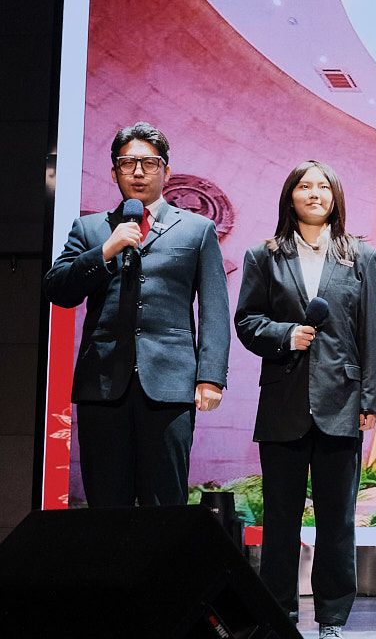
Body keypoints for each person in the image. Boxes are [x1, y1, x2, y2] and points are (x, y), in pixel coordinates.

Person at [234, 161, 376, 638]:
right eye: (305, 186)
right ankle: (279, 615)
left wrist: (372, 401)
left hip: (342, 404)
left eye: (323, 186)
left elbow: (373, 333)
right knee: (280, 520)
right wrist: (285, 334)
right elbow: (247, 322)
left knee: (337, 521)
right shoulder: (264, 256)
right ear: (291, 196)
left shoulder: (361, 256)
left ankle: (332, 619)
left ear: (335, 197)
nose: (315, 193)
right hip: (283, 403)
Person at [43, 121, 229, 507]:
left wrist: (210, 377)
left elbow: (214, 309)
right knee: (107, 504)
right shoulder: (90, 228)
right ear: (114, 173)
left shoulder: (197, 229)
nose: (138, 172)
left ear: (166, 171)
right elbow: (57, 290)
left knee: (166, 505)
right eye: (128, 163)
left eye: (149, 163)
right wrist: (105, 251)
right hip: (102, 385)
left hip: (170, 386)